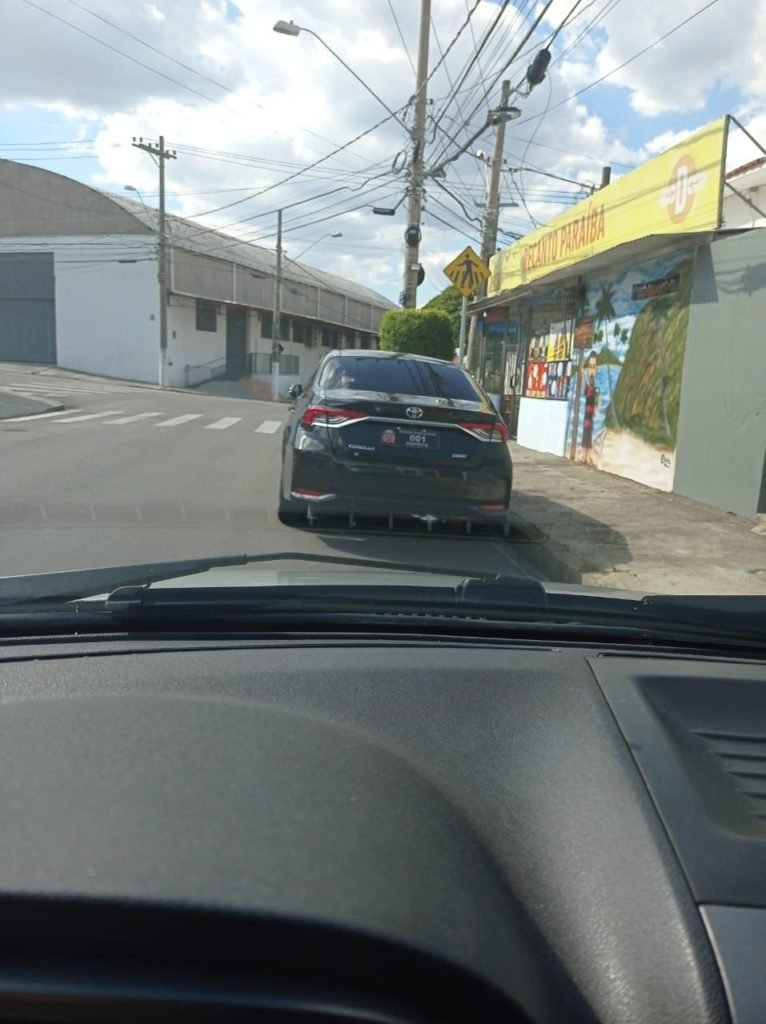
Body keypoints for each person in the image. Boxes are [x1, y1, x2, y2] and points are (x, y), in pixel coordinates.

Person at [581, 350, 599, 466]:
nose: (591, 369)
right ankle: (585, 456)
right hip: (587, 413)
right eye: (590, 366)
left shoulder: (595, 385)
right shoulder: (589, 385)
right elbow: (586, 386)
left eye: (594, 367)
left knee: (589, 433)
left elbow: (597, 397)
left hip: (591, 413)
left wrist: (596, 408)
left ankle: (588, 456)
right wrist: (583, 373)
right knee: (586, 433)